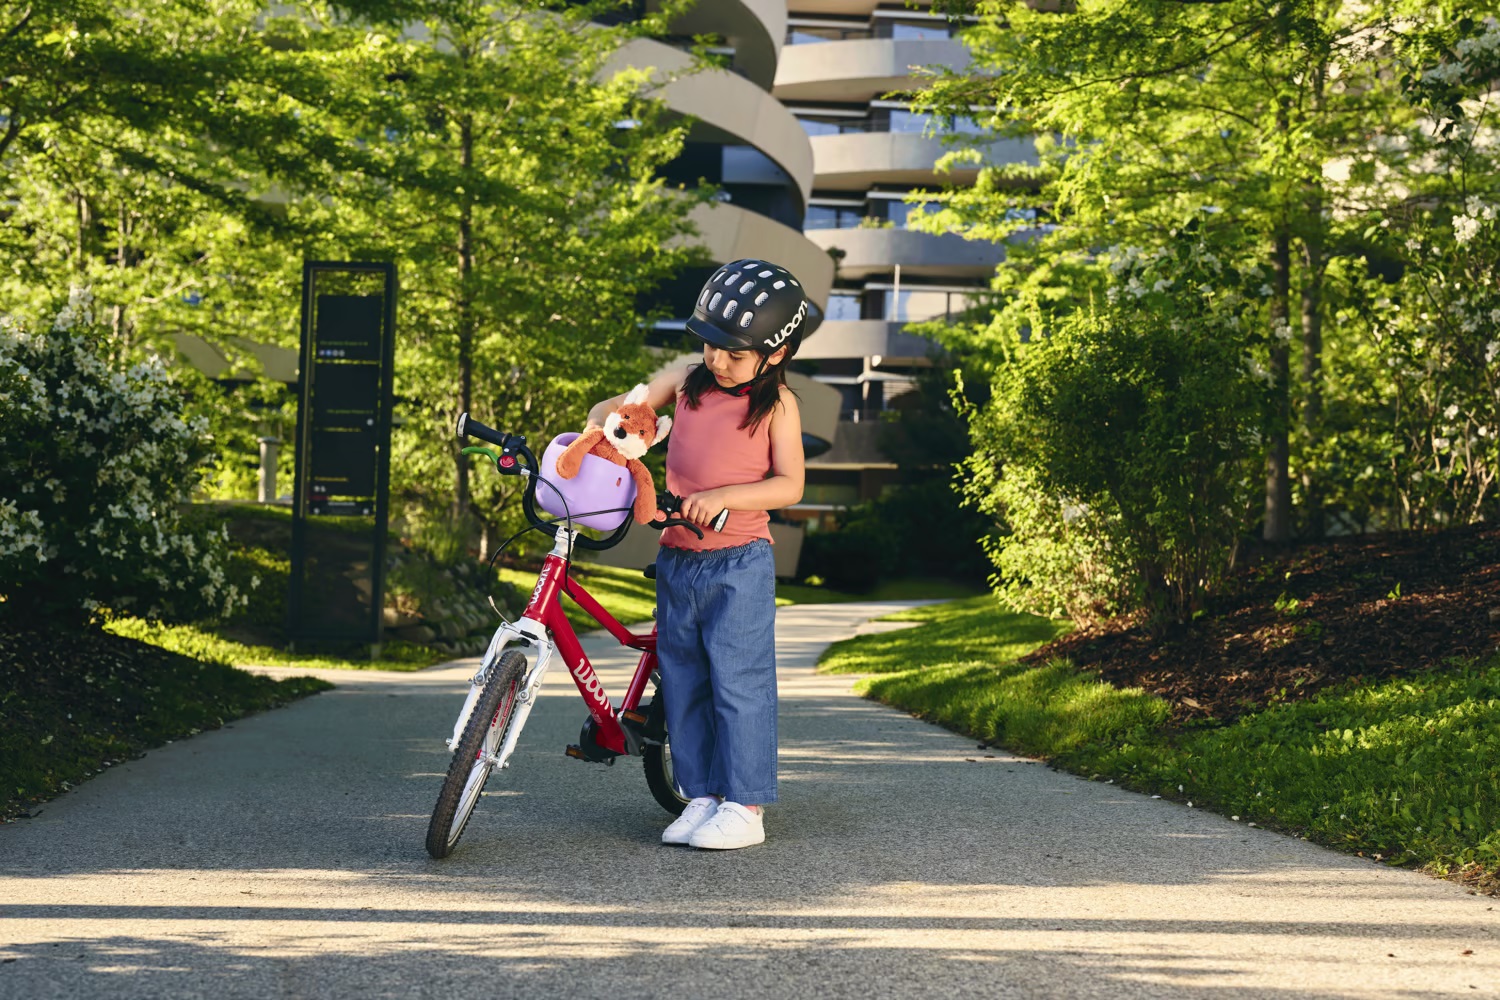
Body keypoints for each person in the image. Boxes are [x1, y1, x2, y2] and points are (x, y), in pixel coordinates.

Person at [584, 259, 808, 850]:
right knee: (683, 682)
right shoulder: (685, 383)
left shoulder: (778, 405)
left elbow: (790, 485)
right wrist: (607, 425)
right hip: (678, 556)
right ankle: (701, 796)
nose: (718, 360)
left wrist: (724, 497)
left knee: (739, 682)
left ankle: (746, 804)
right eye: (711, 346)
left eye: (736, 354)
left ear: (775, 353)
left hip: (739, 561)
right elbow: (624, 406)